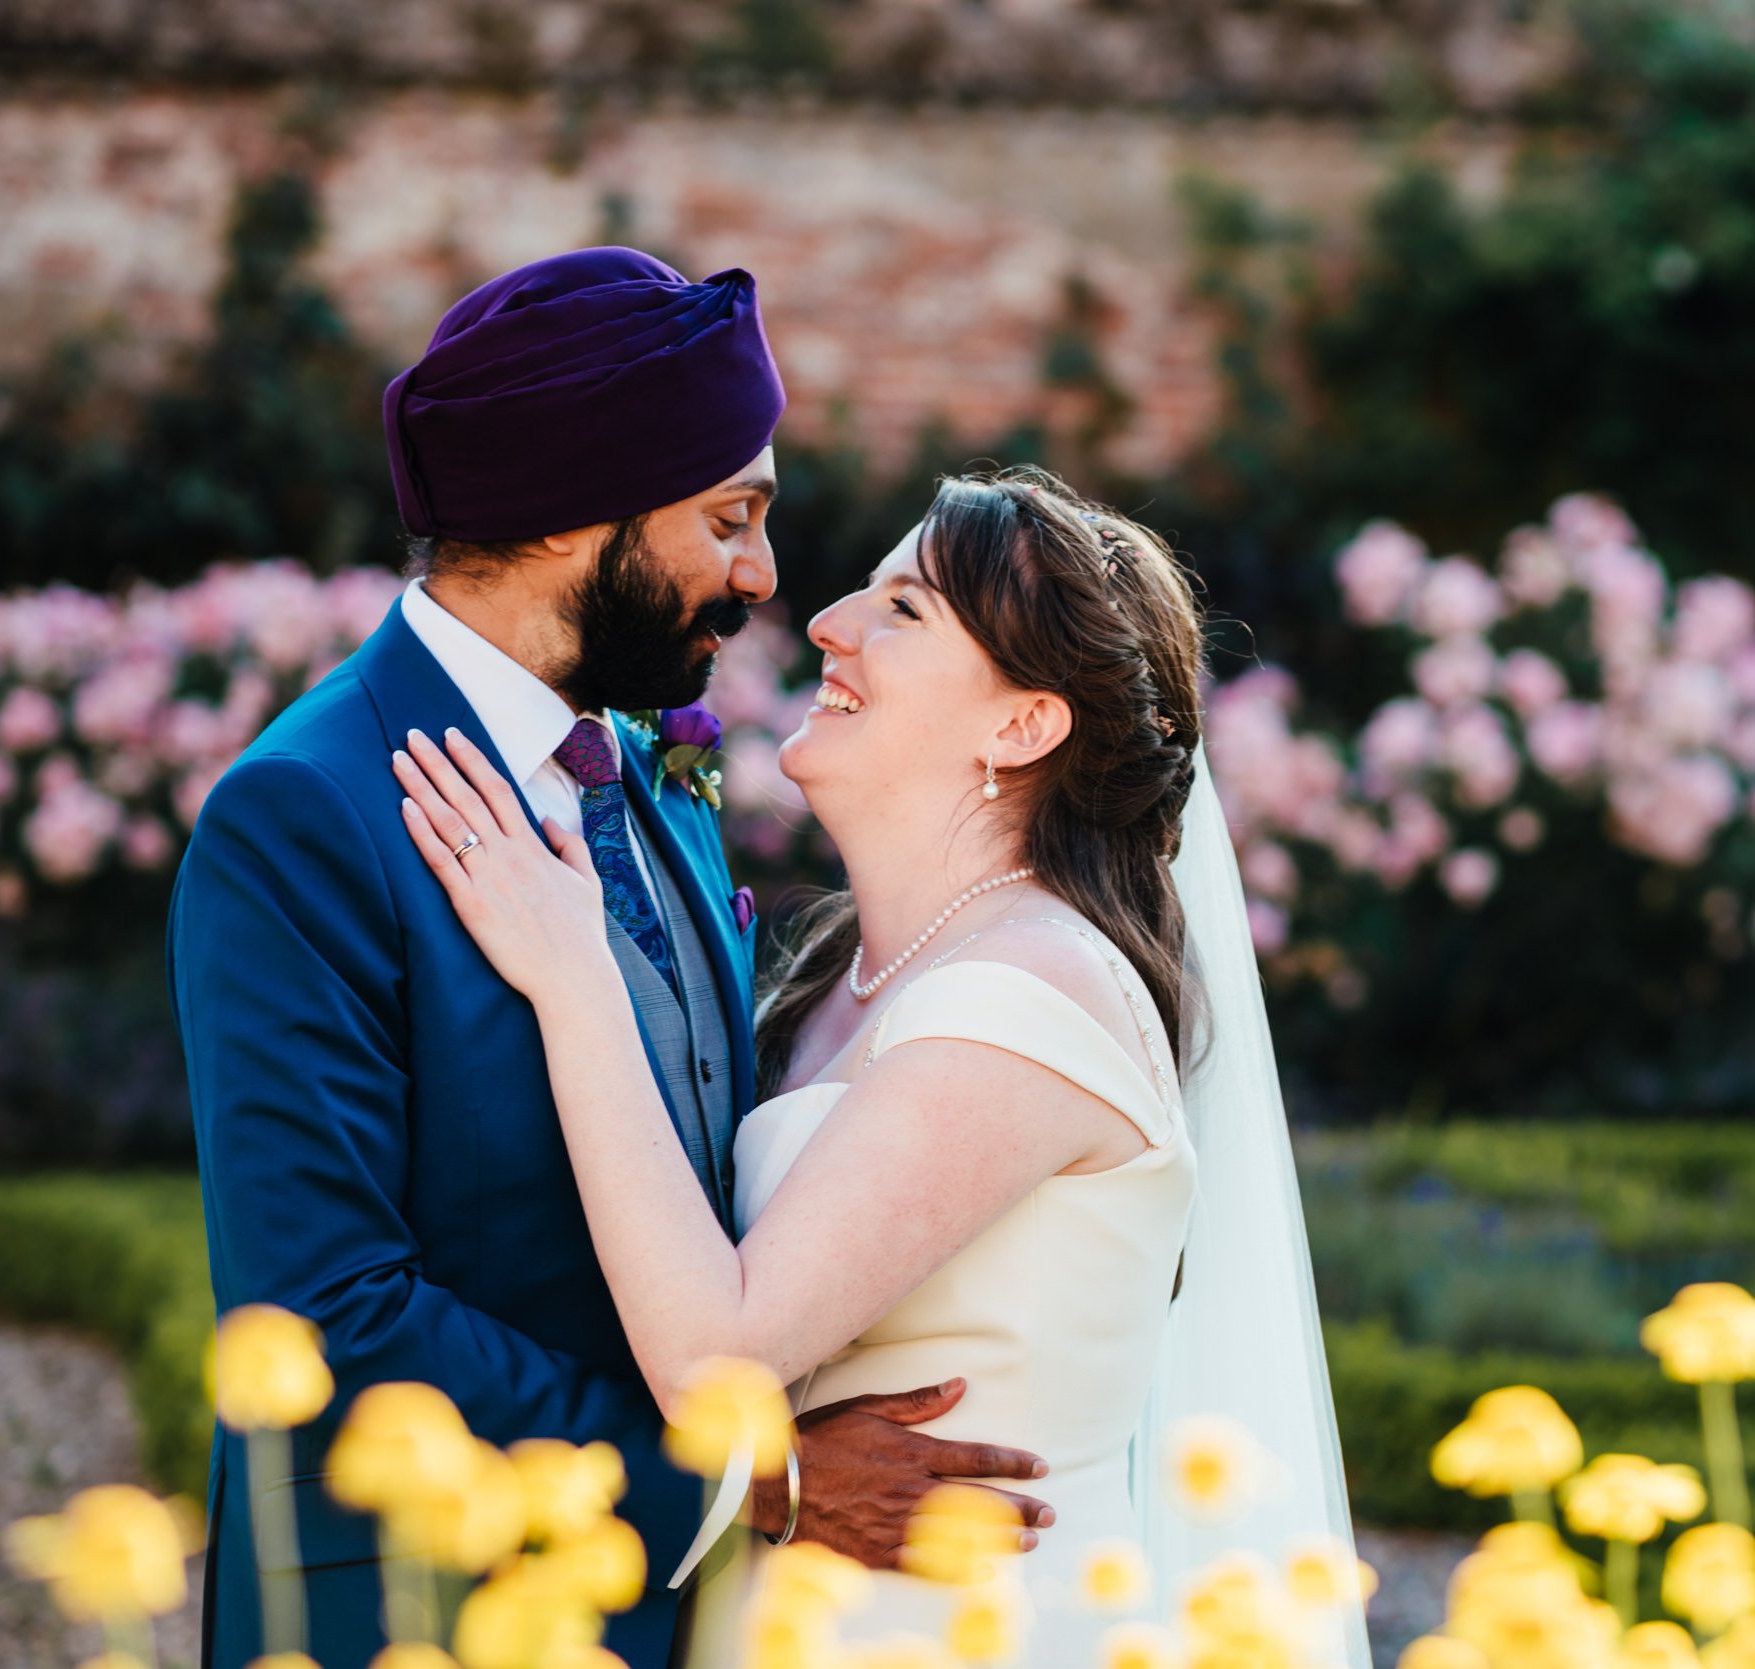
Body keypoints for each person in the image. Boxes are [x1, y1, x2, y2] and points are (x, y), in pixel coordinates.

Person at [171, 248, 1047, 1669]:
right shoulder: (309, 814)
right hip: (417, 1618)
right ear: (578, 516)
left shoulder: (639, 763)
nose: (763, 577)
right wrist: (757, 1478)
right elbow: (323, 1315)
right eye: (729, 518)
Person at [392, 467, 1366, 1664]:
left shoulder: (1033, 990)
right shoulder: (844, 975)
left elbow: (717, 1356)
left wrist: (572, 972)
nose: (827, 622)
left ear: (1022, 724)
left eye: (902, 610)